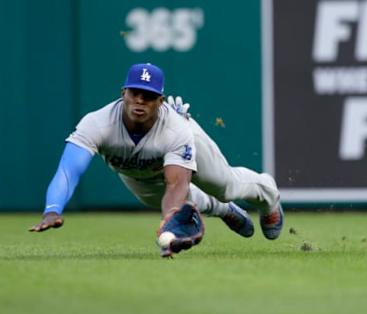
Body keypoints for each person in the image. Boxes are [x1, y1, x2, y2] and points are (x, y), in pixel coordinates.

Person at [29, 63, 284, 256]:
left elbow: (176, 184)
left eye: (148, 95)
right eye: (135, 93)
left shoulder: (176, 130)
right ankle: (222, 210)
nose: (140, 100)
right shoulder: (97, 123)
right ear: (123, 93)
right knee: (174, 202)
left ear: (160, 101)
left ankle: (268, 193)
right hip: (136, 174)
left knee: (224, 186)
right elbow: (69, 170)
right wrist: (52, 209)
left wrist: (169, 223)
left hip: (182, 147)